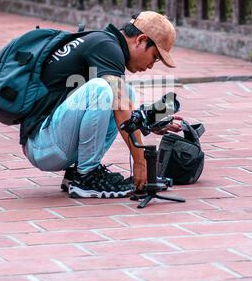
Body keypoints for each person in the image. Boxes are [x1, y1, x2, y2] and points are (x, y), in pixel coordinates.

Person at [21, 11, 182, 199]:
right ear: (140, 39)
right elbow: (120, 106)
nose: (151, 66)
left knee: (123, 91)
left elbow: (122, 108)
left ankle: (79, 173)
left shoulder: (104, 43)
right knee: (103, 90)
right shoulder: (107, 47)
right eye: (154, 57)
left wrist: (149, 122)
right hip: (41, 144)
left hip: (51, 142)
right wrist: (141, 164)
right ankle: (87, 177)